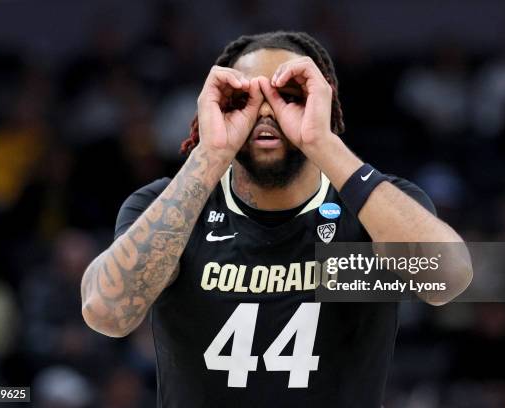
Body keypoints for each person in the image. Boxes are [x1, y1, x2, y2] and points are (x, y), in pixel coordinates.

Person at [80, 31, 472, 407]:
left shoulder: (375, 208)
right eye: (242, 98)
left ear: (324, 105)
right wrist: (210, 154)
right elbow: (107, 313)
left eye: (290, 96)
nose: (267, 110)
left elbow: (447, 280)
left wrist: (323, 142)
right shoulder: (167, 206)